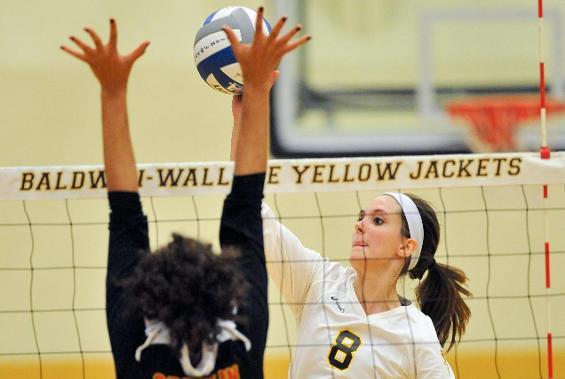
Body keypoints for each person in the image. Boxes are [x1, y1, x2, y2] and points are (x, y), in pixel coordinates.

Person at [61, 10, 309, 379]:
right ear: (228, 296)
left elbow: (126, 216)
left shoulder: (142, 356)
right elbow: (245, 204)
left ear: (148, 300)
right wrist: (255, 89)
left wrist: (112, 91)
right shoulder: (238, 350)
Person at [229, 43, 471, 379]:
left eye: (377, 220)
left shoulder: (416, 334)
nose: (360, 226)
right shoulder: (317, 281)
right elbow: (250, 210)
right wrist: (249, 113)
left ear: (406, 246)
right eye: (361, 217)